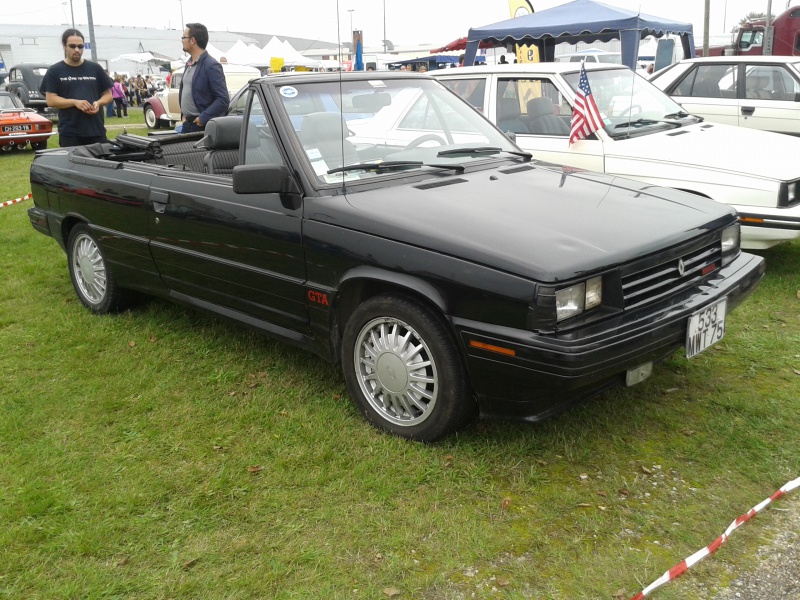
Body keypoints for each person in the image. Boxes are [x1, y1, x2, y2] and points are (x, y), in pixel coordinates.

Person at [40, 28, 113, 147]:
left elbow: (108, 95)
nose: (77, 50)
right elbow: (51, 100)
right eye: (72, 46)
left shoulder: (95, 68)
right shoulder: (55, 70)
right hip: (70, 133)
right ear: (64, 46)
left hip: (96, 131)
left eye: (80, 46)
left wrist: (98, 103)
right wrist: (75, 102)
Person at [178, 22, 229, 133]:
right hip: (187, 125)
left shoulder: (211, 65)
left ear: (192, 40)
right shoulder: (189, 63)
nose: (181, 40)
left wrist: (202, 119)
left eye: (183, 37)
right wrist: (184, 116)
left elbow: (223, 99)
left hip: (201, 126)